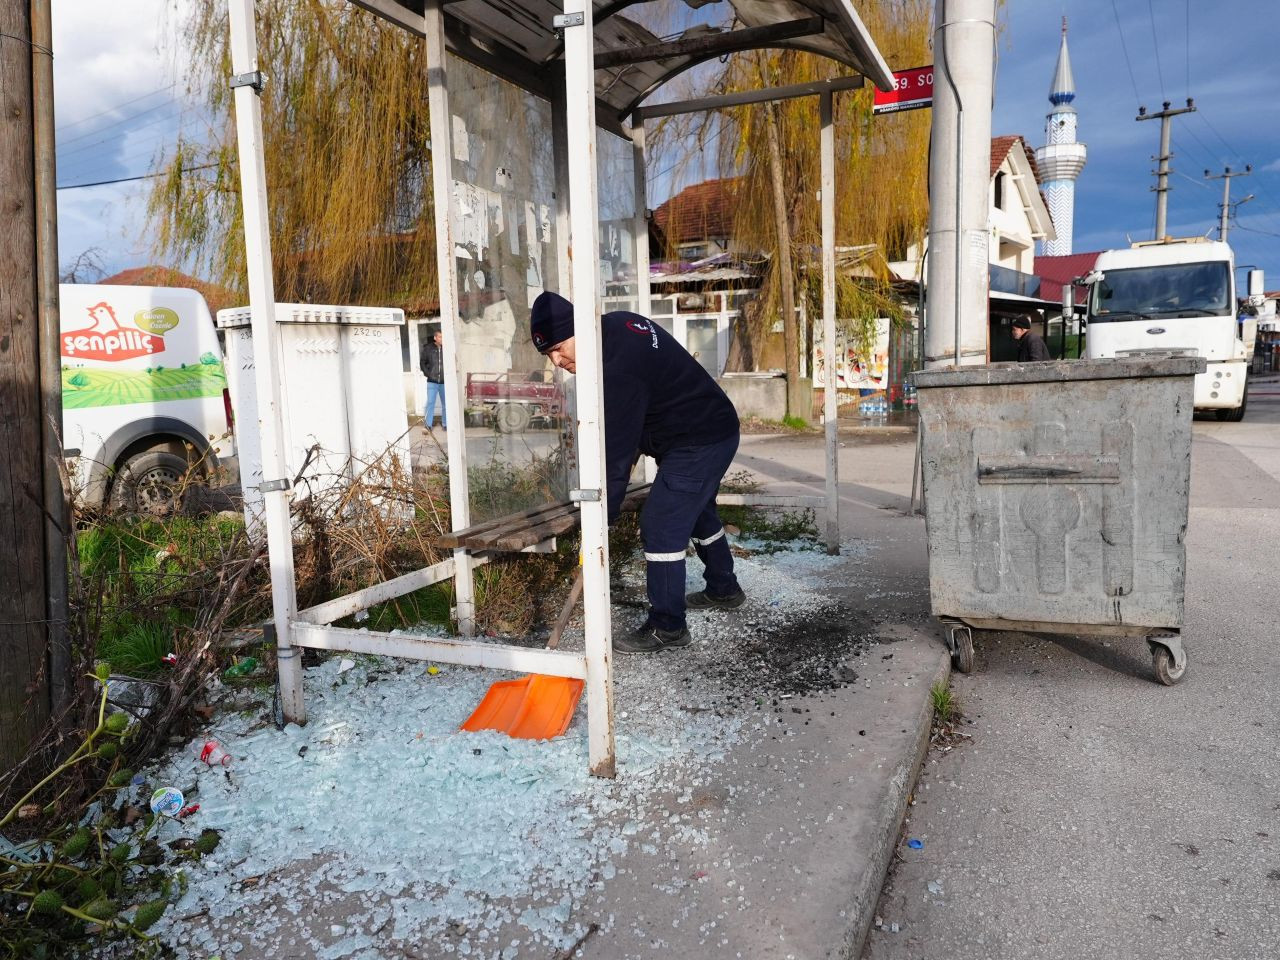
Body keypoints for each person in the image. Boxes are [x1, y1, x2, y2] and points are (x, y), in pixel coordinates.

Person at [530, 291, 745, 654]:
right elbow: (629, 433)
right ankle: (724, 588)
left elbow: (616, 453)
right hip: (709, 427)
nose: (556, 360)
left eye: (559, 347)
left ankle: (668, 626)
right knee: (695, 510)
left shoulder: (618, 368)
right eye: (547, 354)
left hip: (699, 439)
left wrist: (602, 515)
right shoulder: (616, 326)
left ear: (579, 328)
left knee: (661, 523)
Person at [420, 328, 447, 430]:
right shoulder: (428, 348)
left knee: (446, 404)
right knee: (430, 403)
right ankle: (428, 425)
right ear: (435, 338)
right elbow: (422, 362)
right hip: (432, 381)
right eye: (440, 337)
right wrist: (428, 374)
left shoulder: (447, 348)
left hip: (444, 382)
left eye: (443, 337)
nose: (442, 339)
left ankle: (445, 424)